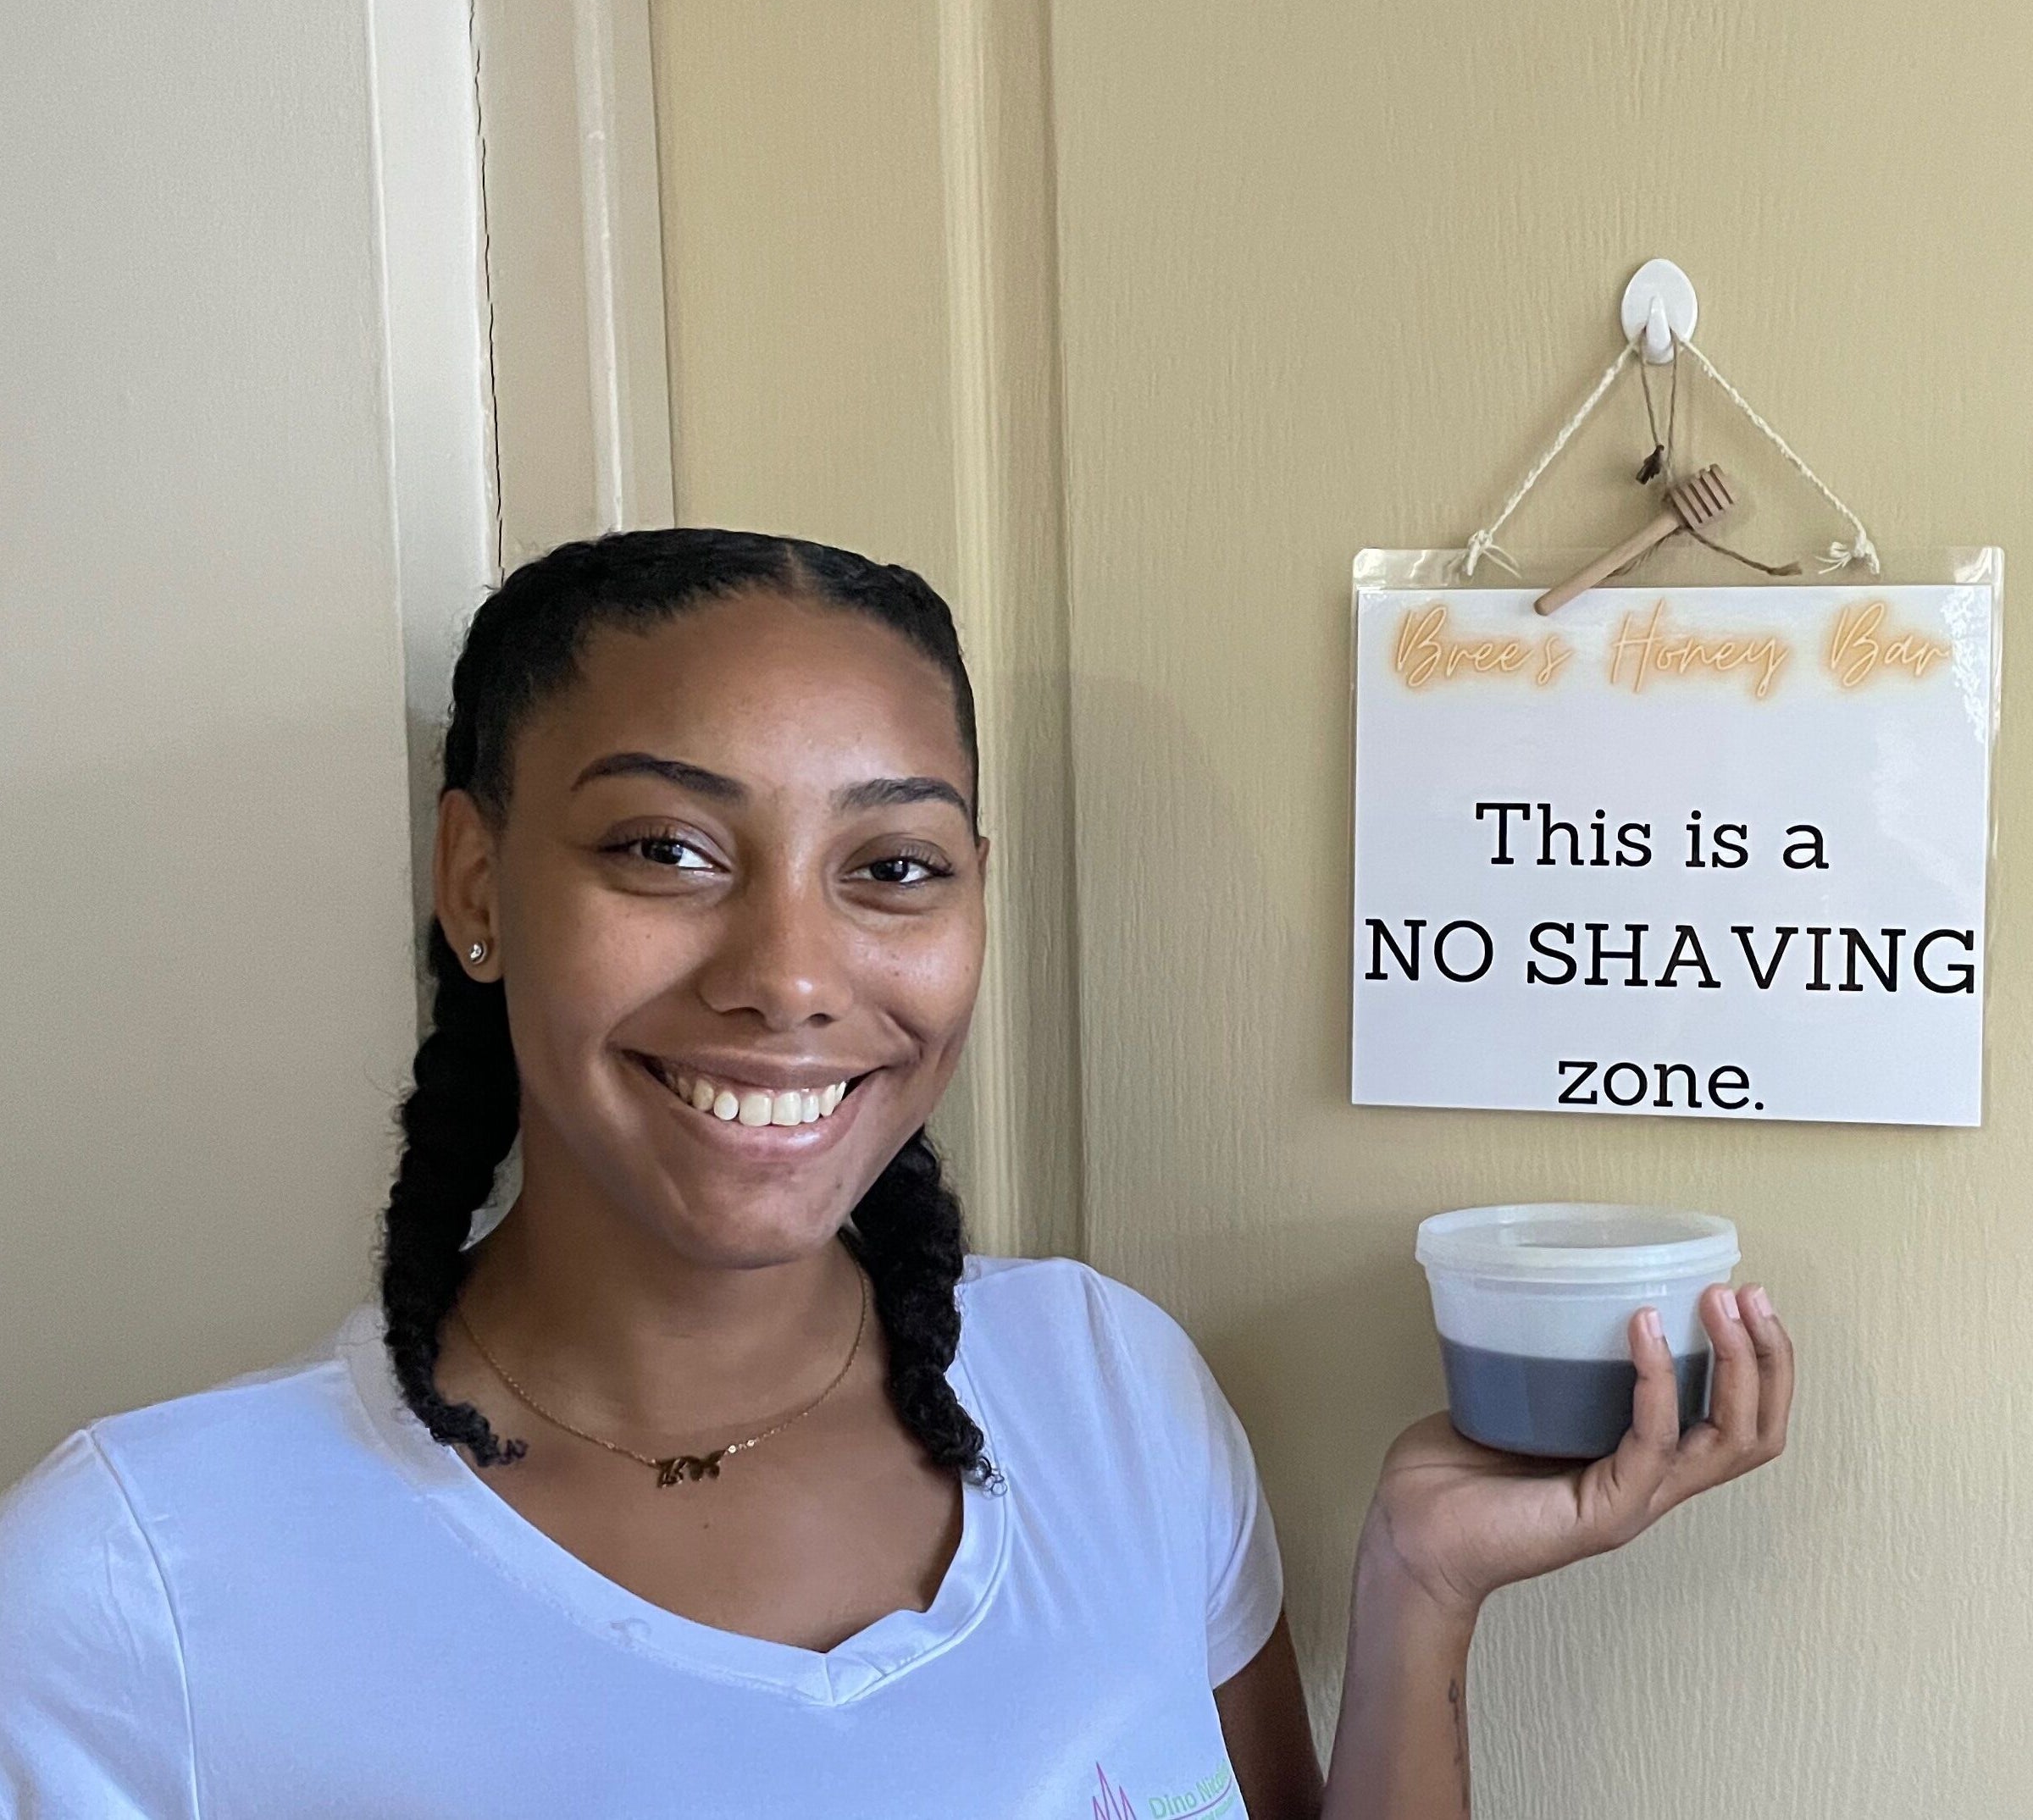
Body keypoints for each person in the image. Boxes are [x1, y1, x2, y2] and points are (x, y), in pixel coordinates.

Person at [0, 529, 1793, 1817]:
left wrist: (1420, 1588)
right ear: (475, 884)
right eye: (664, 847)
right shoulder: (139, 1581)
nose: (790, 972)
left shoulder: (1107, 1387)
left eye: (894, 868)